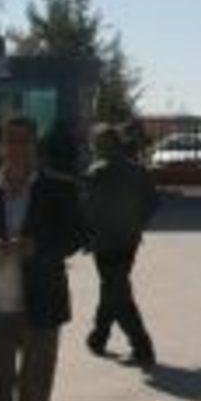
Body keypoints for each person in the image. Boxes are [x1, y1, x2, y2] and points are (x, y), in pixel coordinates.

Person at [0, 116, 89, 401]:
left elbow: (76, 236)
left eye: (24, 140)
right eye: (10, 140)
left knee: (35, 389)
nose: (17, 148)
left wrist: (37, 247)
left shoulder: (61, 188)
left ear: (35, 145)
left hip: (44, 297)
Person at [82, 124, 158, 366]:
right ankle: (99, 337)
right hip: (128, 239)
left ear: (100, 145)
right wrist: (137, 222)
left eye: (95, 143)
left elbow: (87, 208)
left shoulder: (97, 172)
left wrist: (86, 236)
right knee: (113, 287)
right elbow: (152, 202)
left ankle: (142, 346)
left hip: (106, 241)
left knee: (117, 292)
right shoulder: (138, 170)